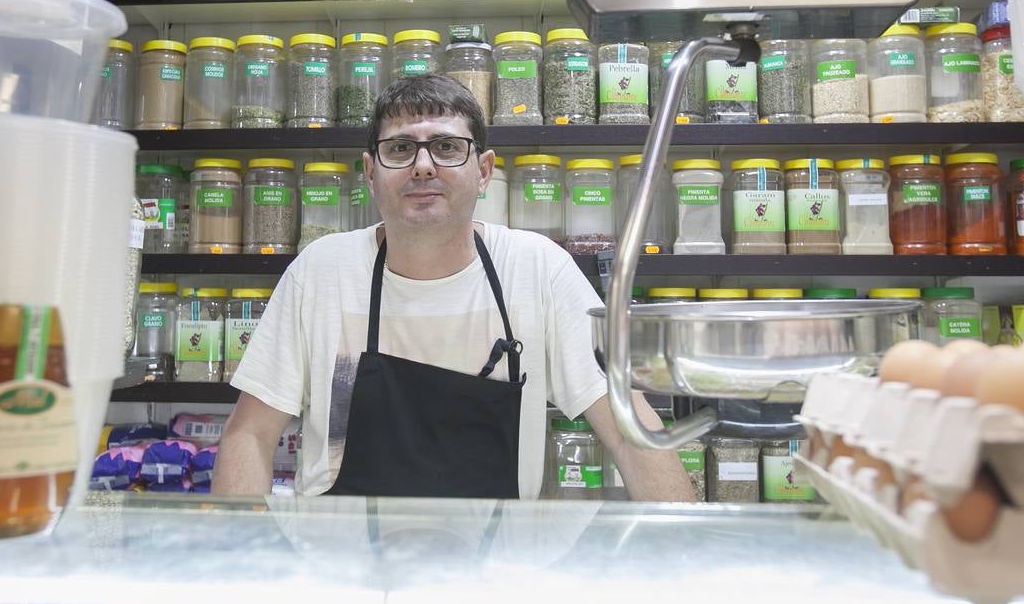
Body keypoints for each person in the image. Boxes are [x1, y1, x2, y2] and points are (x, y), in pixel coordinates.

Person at [215, 74, 693, 500]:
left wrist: (684, 564)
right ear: (370, 172)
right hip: (344, 567)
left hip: (493, 573)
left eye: (446, 147)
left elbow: (631, 430)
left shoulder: (538, 268)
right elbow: (250, 435)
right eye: (400, 148)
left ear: (483, 171)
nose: (423, 165)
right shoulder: (321, 271)